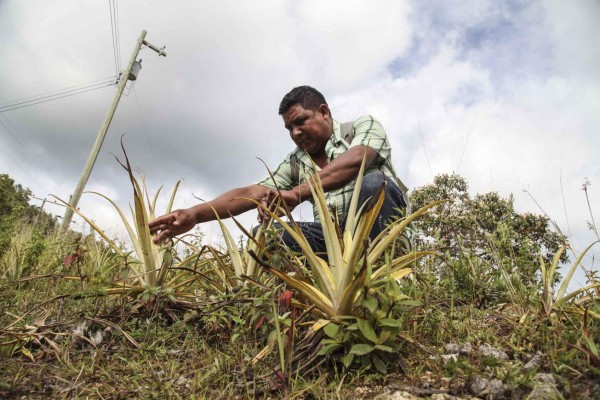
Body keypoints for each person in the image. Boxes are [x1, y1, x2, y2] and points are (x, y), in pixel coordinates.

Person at [149, 86, 408, 253]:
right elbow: (253, 192)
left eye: (300, 122)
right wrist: (195, 213)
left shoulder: (362, 127)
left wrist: (298, 193)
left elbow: (358, 158)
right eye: (289, 129)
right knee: (268, 234)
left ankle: (381, 282)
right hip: (333, 244)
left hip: (380, 241)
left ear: (324, 112)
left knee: (376, 183)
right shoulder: (295, 162)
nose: (295, 133)